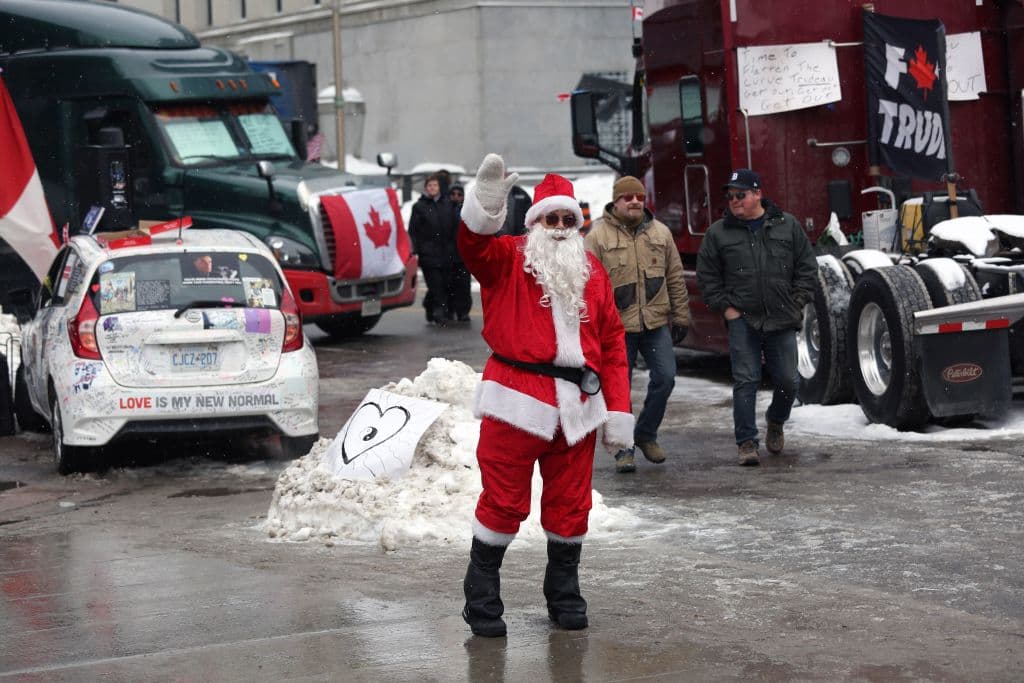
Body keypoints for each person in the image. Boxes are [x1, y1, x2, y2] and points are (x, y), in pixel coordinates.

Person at [457, 154, 633, 638]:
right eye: (549, 219)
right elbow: (473, 247)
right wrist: (485, 208)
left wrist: (618, 410)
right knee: (503, 503)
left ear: (577, 224)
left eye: (566, 220)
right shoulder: (508, 260)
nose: (558, 228)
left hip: (576, 408)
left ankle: (564, 594)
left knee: (572, 504)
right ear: (533, 222)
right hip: (516, 402)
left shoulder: (592, 271)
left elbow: (613, 343)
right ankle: (483, 599)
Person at [695, 169, 817, 466]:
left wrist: (797, 300)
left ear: (757, 194)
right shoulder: (719, 233)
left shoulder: (786, 225)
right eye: (731, 196)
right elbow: (707, 277)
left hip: (781, 318)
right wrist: (726, 308)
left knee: (789, 381)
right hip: (743, 319)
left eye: (741, 194)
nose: (734, 201)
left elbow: (806, 267)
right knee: (745, 381)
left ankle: (776, 420)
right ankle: (746, 442)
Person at [584, 176, 690, 474]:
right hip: (616, 328)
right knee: (619, 389)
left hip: (655, 323)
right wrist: (591, 328)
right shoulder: (597, 238)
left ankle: (646, 433)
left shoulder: (661, 233)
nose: (634, 202)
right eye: (627, 197)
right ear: (615, 201)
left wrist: (681, 316)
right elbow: (588, 288)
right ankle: (624, 448)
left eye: (639, 197)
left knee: (666, 378)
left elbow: (675, 277)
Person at [408, 174, 455, 325]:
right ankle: (439, 313)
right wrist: (415, 249)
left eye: (435, 185)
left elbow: (454, 227)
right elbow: (413, 230)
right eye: (429, 186)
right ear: (425, 188)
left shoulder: (447, 203)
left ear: (439, 187)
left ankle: (430, 305)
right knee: (436, 285)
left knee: (446, 283)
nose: (432, 188)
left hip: (446, 252)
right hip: (428, 253)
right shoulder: (419, 206)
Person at [446, 184, 472, 322]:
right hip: (447, 254)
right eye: (453, 194)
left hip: (463, 255)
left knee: (463, 286)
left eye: (459, 194)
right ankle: (449, 310)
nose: (456, 197)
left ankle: (463, 311)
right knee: (448, 285)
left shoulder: (467, 211)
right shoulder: (444, 209)